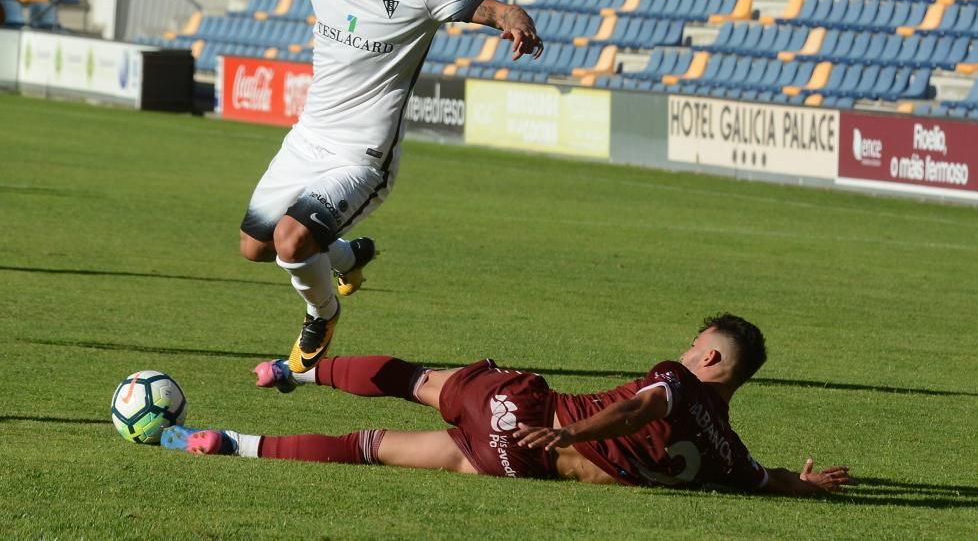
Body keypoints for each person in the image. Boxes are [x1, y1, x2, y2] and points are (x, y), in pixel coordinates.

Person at [165, 0, 544, 375]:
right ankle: (347, 255)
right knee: (254, 249)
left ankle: (323, 314)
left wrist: (516, 20)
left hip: (360, 157)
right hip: (306, 140)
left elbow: (489, 8)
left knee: (292, 241)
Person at [162, 314, 853, 496]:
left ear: (709, 359)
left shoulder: (679, 382)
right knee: (371, 449)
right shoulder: (728, 457)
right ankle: (234, 444)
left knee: (413, 379)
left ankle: (293, 372)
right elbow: (775, 483)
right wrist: (812, 485)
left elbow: (643, 408)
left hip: (525, 412)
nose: (686, 347)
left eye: (695, 341)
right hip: (515, 466)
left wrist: (572, 429)